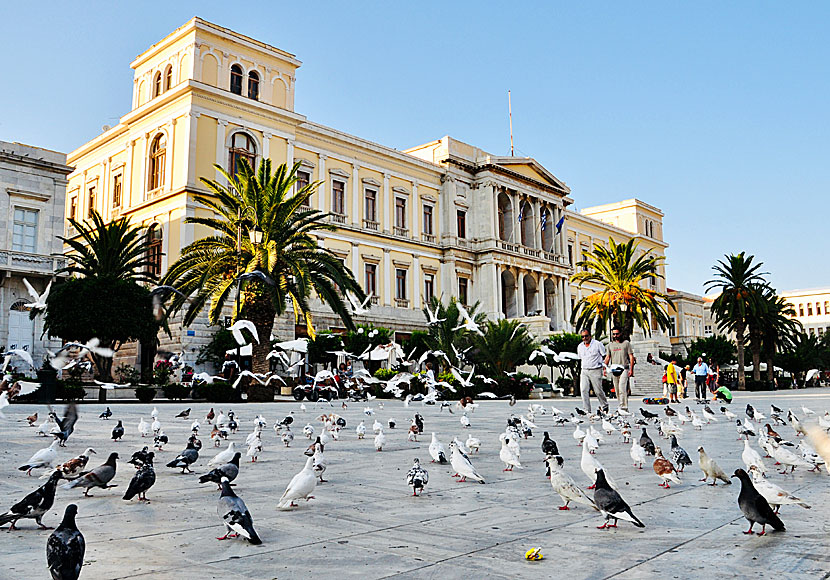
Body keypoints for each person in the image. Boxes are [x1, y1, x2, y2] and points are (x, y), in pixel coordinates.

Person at [604, 326, 634, 411]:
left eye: (617, 334)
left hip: (624, 368)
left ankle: (624, 407)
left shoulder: (626, 343)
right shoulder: (610, 345)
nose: (615, 335)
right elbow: (607, 357)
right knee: (617, 390)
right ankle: (620, 404)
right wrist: (604, 368)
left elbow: (631, 357)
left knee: (622, 388)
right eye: (614, 334)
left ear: (621, 333)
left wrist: (631, 369)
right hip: (614, 370)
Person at [577, 329, 607, 413]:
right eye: (582, 336)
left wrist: (604, 368)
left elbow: (604, 356)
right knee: (583, 390)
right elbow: (580, 358)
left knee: (598, 390)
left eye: (586, 336)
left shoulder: (598, 344)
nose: (584, 338)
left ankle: (604, 405)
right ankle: (587, 410)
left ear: (590, 336)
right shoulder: (580, 346)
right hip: (584, 370)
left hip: (596, 370)